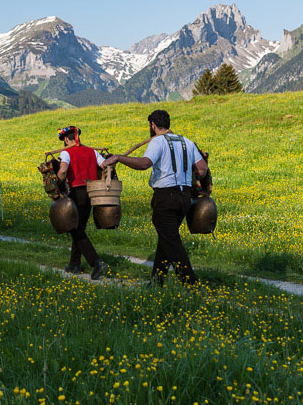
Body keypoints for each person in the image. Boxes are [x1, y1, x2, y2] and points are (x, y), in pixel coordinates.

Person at [103, 110, 208, 286]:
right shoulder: (186, 142)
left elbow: (145, 164)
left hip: (165, 197)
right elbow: (202, 168)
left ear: (153, 124)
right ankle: (156, 283)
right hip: (184, 198)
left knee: (172, 242)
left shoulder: (157, 141)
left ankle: (192, 285)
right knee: (166, 239)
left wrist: (120, 158)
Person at [55, 125, 108, 280]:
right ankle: (74, 264)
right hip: (92, 192)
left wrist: (57, 183)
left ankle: (96, 262)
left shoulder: (66, 152)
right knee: (80, 227)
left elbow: (63, 170)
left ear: (66, 139)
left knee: (74, 229)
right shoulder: (93, 151)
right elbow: (105, 165)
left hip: (76, 193)